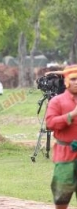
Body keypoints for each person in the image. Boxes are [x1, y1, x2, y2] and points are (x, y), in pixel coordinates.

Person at [46, 65, 77, 209]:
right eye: (73, 79)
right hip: (65, 156)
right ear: (66, 81)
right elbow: (50, 123)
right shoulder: (57, 101)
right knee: (61, 198)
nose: (76, 82)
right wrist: (71, 115)